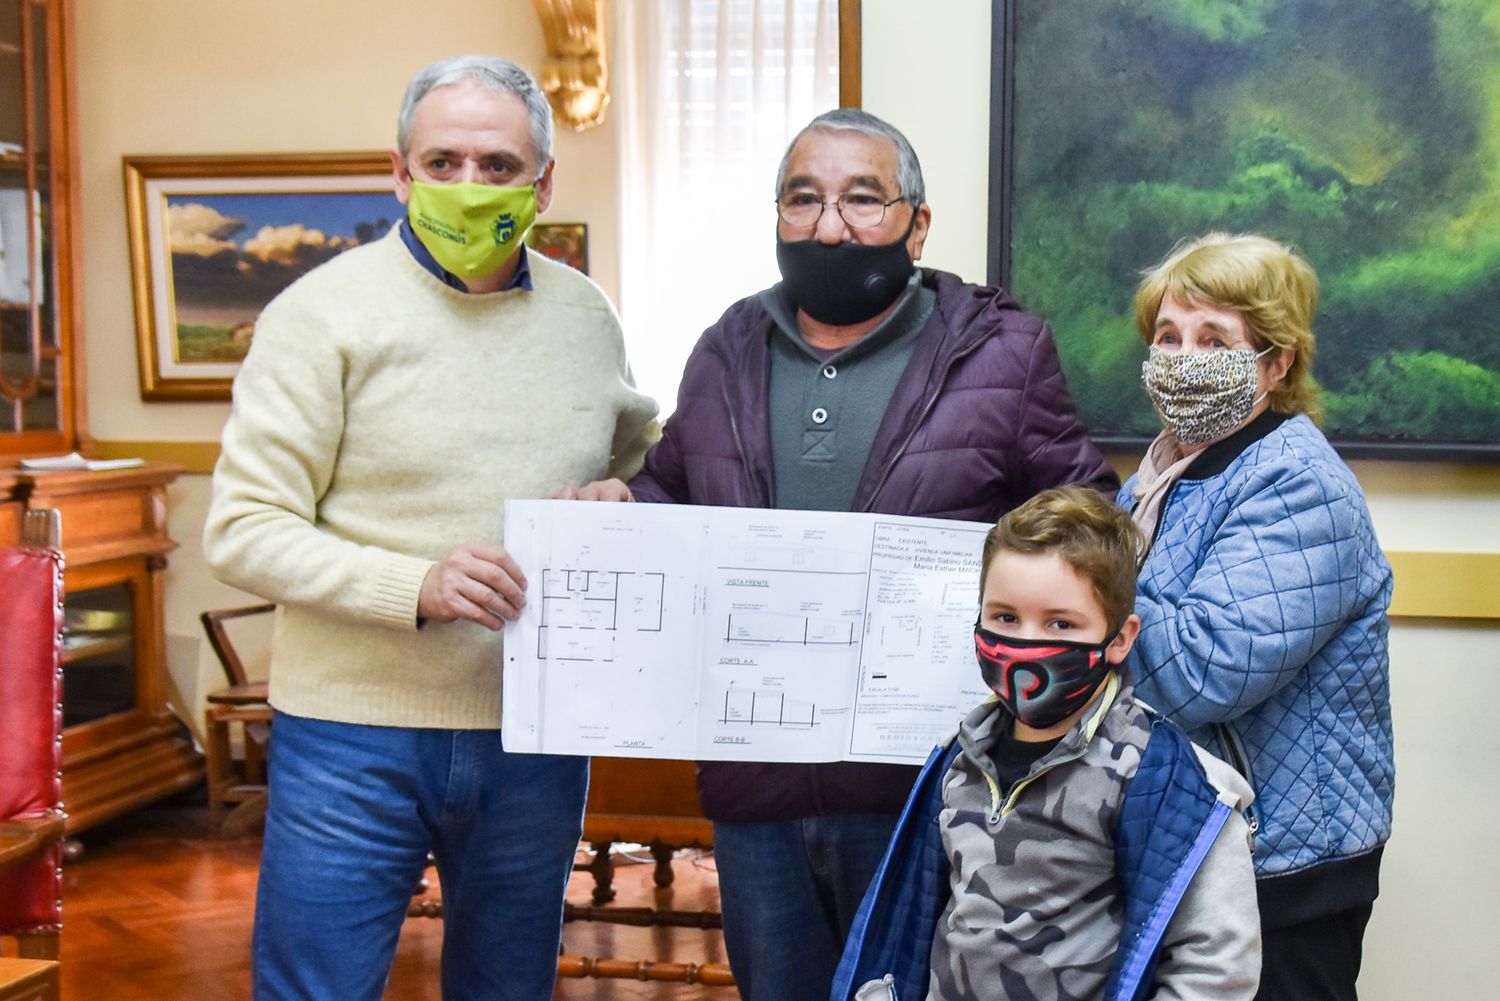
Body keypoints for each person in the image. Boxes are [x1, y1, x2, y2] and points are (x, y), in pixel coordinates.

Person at [621, 108, 1118, 1001]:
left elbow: (1087, 525)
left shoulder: (1003, 351)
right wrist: (615, 506)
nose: (830, 225)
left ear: (916, 224)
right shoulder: (724, 348)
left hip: (926, 788)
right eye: (803, 199)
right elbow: (670, 496)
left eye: (862, 199)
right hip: (755, 785)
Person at [203, 55, 657, 1001]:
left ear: (542, 182)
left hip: (532, 732)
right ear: (400, 174)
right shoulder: (318, 314)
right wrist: (413, 584)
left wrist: (626, 500)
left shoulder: (586, 316)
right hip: (348, 733)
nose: (467, 185)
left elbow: (639, 462)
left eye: (497, 166)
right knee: (314, 987)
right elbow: (243, 528)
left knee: (509, 984)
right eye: (442, 161)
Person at [833, 485, 1261, 1001]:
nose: (1025, 645)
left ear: (1120, 638)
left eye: (1060, 623)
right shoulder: (956, 761)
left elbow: (1215, 965)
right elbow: (911, 914)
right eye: (1005, 618)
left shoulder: (1164, 780)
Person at [1120, 233, 1393, 1000]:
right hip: (1191, 850)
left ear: (1276, 363)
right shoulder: (1161, 474)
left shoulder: (1300, 484)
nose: (1183, 356)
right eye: (1168, 336)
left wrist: (1079, 596)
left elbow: (1201, 672)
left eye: (1215, 339)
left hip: (1282, 871)